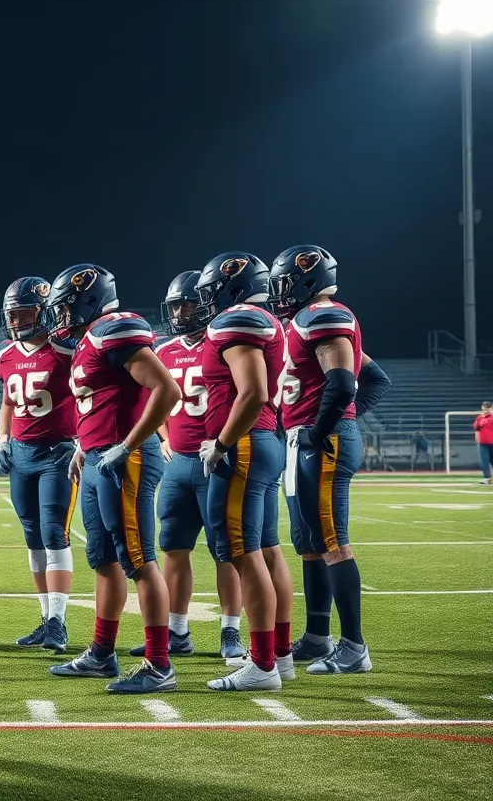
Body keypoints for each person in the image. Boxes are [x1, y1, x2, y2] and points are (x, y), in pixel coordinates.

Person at [43, 264, 180, 694]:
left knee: (139, 560)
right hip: (98, 456)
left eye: (65, 305)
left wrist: (126, 445)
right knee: (103, 559)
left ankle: (159, 665)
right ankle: (103, 653)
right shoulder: (89, 341)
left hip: (127, 458)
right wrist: (85, 446)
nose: (60, 315)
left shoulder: (112, 330)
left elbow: (167, 390)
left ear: (87, 299)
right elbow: (100, 401)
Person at [270, 245, 389, 675]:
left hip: (318, 441)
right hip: (304, 439)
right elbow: (374, 377)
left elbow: (344, 385)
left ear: (308, 279)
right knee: (308, 543)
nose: (278, 291)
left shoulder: (323, 315)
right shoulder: (299, 322)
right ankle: (317, 635)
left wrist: (324, 430)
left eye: (284, 283)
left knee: (333, 542)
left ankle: (354, 647)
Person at [129, 271, 245, 662]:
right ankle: (177, 631)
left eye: (188, 303)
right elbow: (152, 399)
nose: (180, 311)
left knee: (226, 551)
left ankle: (231, 631)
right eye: (176, 304)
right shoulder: (163, 350)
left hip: (218, 460)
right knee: (173, 547)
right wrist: (162, 436)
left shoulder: (224, 342)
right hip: (177, 463)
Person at [194, 252, 294, 692]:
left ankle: (263, 665)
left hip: (246, 444)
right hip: (262, 440)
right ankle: (281, 655)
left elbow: (252, 391)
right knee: (266, 548)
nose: (205, 301)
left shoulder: (236, 321)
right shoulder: (262, 319)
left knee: (242, 552)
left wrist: (222, 442)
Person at [0, 276, 77, 653]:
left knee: (53, 531)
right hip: (22, 453)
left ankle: (59, 622)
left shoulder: (66, 351)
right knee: (32, 535)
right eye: (13, 314)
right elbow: (9, 402)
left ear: (44, 311)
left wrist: (80, 440)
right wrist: (2, 438)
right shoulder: (4, 355)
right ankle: (45, 619)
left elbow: (89, 393)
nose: (16, 322)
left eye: (24, 313)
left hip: (57, 452)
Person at [475, 402, 493, 485]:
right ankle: (487, 477)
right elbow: (477, 428)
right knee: (484, 461)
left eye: (487, 408)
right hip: (483, 443)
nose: (486, 410)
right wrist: (477, 438)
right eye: (484, 408)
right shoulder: (479, 418)